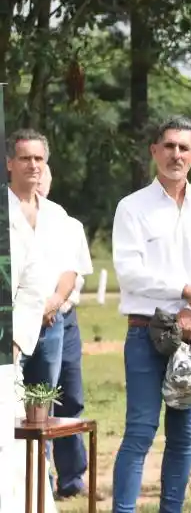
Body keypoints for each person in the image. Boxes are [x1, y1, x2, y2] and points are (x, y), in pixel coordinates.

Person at [111, 116, 191, 513]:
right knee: (140, 432)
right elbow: (130, 272)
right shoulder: (132, 207)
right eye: (169, 146)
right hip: (146, 333)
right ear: (154, 151)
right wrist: (184, 291)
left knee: (183, 435)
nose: (176, 154)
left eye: (184, 148)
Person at [37, 166, 102, 502]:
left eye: (44, 174)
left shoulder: (67, 223)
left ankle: (72, 477)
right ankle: (41, 477)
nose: (37, 179)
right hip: (30, 319)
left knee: (70, 396)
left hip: (65, 317)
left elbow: (76, 273)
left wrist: (56, 302)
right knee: (35, 402)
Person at [0, 180, 60, 513]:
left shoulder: (11, 219)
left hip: (4, 357)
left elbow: (33, 285)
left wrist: (14, 340)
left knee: (9, 446)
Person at [7, 130, 78, 397]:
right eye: (25, 158)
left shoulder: (56, 215)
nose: (33, 165)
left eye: (38, 159)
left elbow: (70, 268)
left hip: (50, 324)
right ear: (9, 163)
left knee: (41, 406)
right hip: (10, 324)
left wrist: (55, 302)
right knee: (7, 403)